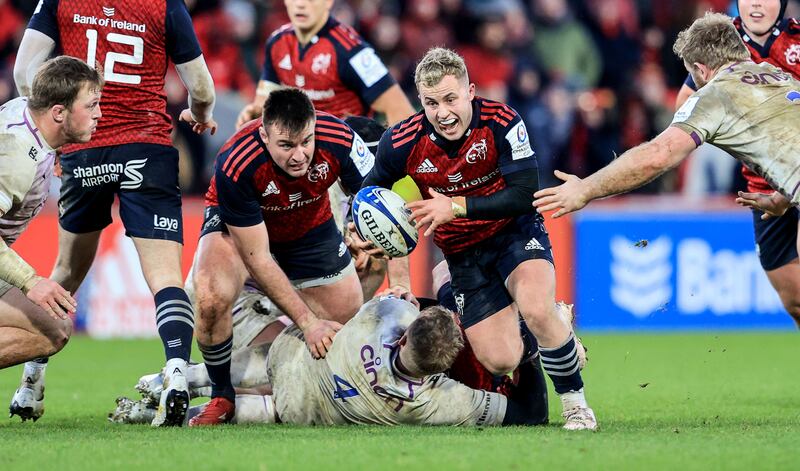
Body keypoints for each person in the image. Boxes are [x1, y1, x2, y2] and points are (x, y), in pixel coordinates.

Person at [359, 47, 597, 430]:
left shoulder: (501, 121)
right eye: (431, 103)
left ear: (470, 91)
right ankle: (553, 325)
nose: (443, 112)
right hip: (463, 253)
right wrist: (366, 229)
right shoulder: (401, 141)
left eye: (451, 99)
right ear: (421, 102)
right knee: (501, 360)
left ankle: (575, 405)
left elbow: (523, 193)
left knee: (535, 306)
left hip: (513, 231)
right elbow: (370, 190)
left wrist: (454, 207)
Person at [13, 0, 218, 427]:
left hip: (83, 147)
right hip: (146, 146)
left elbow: (23, 71)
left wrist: (50, 123)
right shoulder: (164, 5)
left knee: (65, 271)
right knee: (165, 276)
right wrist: (200, 115)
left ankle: (31, 383)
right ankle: (177, 373)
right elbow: (201, 85)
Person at [189, 88, 376, 425]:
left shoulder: (341, 140)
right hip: (243, 228)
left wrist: (359, 231)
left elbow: (384, 204)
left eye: (306, 141)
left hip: (308, 223)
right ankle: (221, 394)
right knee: (210, 296)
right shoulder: (237, 163)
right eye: (286, 145)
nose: (299, 155)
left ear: (315, 126)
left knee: (345, 316)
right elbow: (258, 258)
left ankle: (217, 379)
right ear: (264, 134)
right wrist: (307, 323)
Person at [112, 295, 553, 427]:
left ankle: (174, 378)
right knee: (253, 412)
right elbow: (531, 415)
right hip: (299, 412)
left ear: (402, 339)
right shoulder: (435, 402)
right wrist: (530, 351)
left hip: (293, 360)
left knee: (235, 370)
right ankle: (142, 416)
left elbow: (411, 302)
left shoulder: (385, 319)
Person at [533, 13, 800, 224]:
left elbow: (658, 155)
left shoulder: (715, 93)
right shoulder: (778, 76)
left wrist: (585, 189)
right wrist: (782, 197)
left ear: (700, 70)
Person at [675, 0, 800, 327]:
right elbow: (685, 102)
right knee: (794, 301)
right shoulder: (722, 41)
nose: (756, 3)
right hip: (762, 187)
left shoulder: (798, 42)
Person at [1, 57, 102, 421]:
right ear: (59, 112)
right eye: (90, 105)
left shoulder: (27, 120)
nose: (99, 114)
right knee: (52, 331)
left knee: (52, 326)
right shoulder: (17, 154)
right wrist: (31, 282)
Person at [235, 0, 414, 129]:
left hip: (346, 163)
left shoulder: (351, 51)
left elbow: (400, 111)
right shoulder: (276, 43)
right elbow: (263, 106)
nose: (300, 4)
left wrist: (385, 164)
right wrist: (253, 113)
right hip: (299, 157)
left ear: (328, 2)